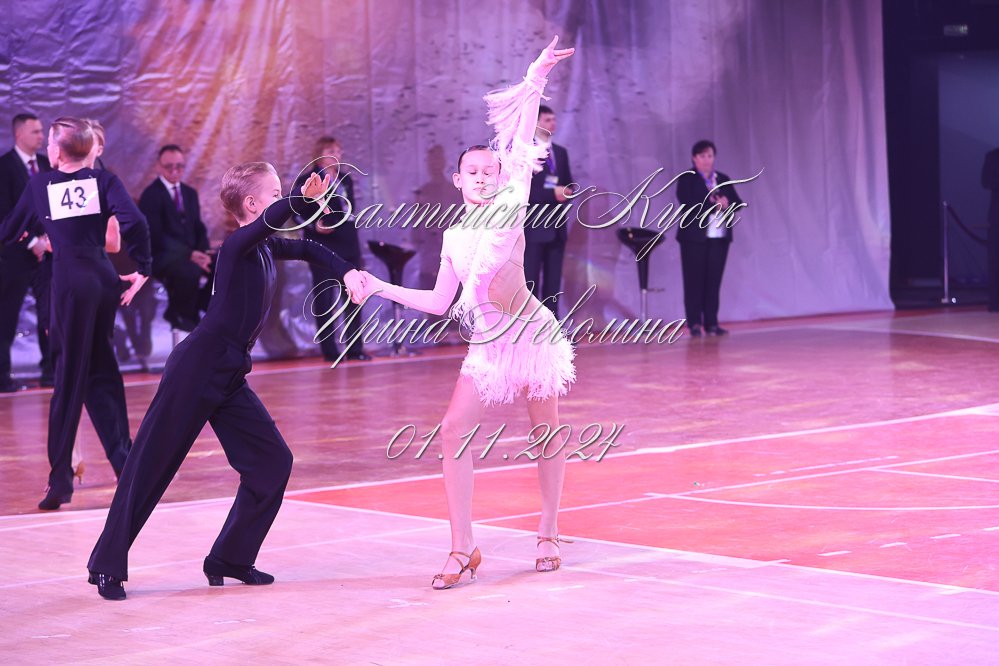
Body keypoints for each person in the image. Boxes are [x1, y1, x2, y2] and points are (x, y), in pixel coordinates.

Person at [356, 37, 576, 589]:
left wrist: (536, 78)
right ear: (456, 180)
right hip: (487, 345)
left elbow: (521, 145)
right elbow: (439, 303)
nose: (480, 176)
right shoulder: (453, 236)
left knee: (545, 430)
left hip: (530, 336)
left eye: (488, 170)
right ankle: (462, 548)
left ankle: (549, 530)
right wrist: (378, 287)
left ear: (500, 177)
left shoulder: (510, 206)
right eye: (471, 171)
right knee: (453, 431)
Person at [87, 164, 364, 600]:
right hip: (196, 369)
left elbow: (309, 247)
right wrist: (301, 201)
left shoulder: (265, 246)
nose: (282, 198)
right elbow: (280, 219)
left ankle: (230, 558)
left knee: (272, 462)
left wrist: (347, 272)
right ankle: (106, 566)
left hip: (230, 373)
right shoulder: (236, 246)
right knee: (149, 467)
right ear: (252, 204)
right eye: (275, 193)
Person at [0, 117, 151, 510]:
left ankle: (60, 482)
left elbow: (10, 229)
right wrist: (144, 268)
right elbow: (135, 222)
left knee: (68, 380)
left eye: (50, 142)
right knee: (102, 371)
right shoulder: (105, 181)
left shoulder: (41, 185)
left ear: (57, 150)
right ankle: (127, 468)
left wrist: (27, 232)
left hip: (69, 284)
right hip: (102, 279)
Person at [295, 136, 370, 361]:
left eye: (338, 151)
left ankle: (355, 349)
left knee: (354, 295)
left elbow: (349, 212)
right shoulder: (308, 179)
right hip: (323, 246)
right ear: (319, 155)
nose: (337, 155)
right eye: (331, 151)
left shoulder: (345, 179)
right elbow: (295, 211)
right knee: (325, 298)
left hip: (348, 243)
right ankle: (330, 351)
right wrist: (314, 225)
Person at [0, 113, 53, 391]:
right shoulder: (4, 167)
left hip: (48, 253)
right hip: (13, 255)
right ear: (19, 134)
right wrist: (32, 241)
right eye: (35, 131)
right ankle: (2, 376)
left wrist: (50, 239)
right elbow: (4, 214)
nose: (41, 136)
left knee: (50, 313)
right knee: (6, 316)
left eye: (42, 131)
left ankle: (51, 371)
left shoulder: (46, 165)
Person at [139, 144, 212, 332]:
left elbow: (198, 226)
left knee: (221, 264)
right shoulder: (150, 195)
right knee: (189, 271)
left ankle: (200, 304)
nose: (174, 171)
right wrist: (190, 254)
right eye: (169, 167)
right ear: (159, 166)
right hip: (163, 256)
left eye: (179, 166)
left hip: (192, 253)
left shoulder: (189, 193)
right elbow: (156, 236)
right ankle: (183, 316)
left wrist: (203, 252)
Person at [675, 140, 744, 336]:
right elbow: (687, 203)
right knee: (694, 281)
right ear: (694, 158)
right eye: (703, 156)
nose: (707, 160)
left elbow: (738, 203)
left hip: (719, 237)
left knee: (713, 281)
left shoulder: (722, 178)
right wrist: (713, 205)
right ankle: (694, 323)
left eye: (710, 156)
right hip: (694, 238)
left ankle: (712, 322)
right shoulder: (687, 179)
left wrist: (727, 203)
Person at [525, 105, 574, 316]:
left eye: (554, 119)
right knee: (530, 280)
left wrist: (567, 192)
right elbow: (524, 190)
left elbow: (568, 182)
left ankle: (552, 325)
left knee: (553, 282)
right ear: (535, 123)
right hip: (534, 226)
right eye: (547, 120)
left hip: (557, 226)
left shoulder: (560, 152)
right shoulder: (526, 152)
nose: (552, 123)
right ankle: (529, 325)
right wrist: (552, 193)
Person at [982, 147, 999, 312]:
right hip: (997, 215)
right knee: (995, 259)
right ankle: (995, 301)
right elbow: (985, 181)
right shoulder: (993, 156)